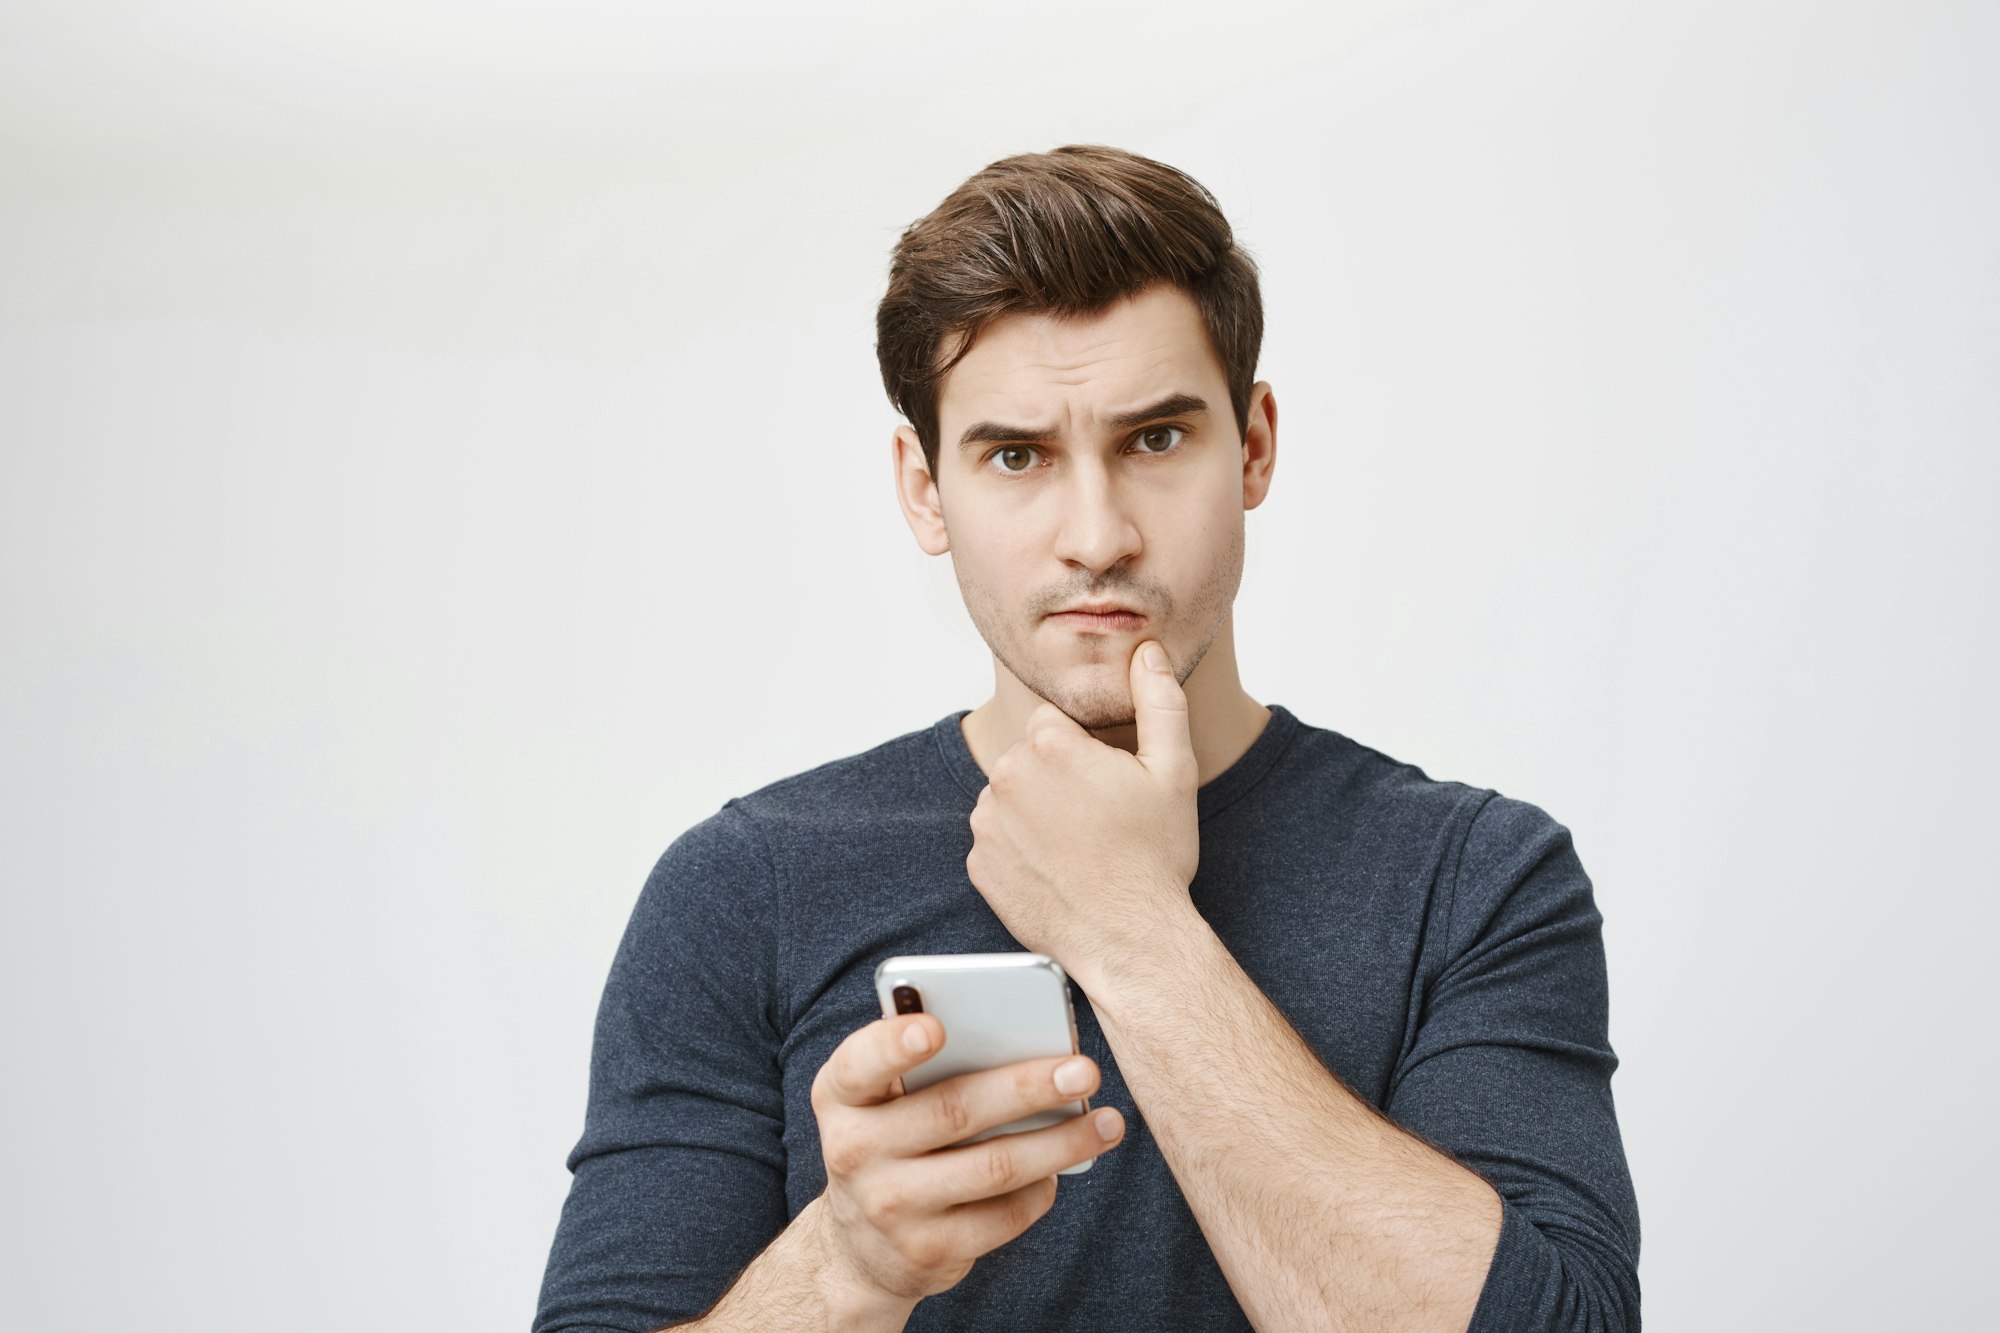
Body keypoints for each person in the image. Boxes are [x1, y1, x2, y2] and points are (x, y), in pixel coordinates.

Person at [533, 144, 1640, 1332]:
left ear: (1253, 445)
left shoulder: (1474, 877)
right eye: (1016, 456)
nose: (1096, 533)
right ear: (923, 488)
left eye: (1155, 439)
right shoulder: (744, 886)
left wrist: (1129, 930)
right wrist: (848, 1265)